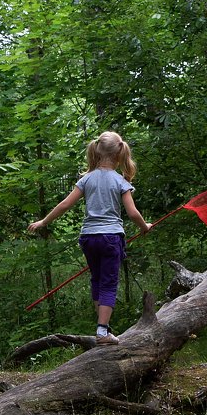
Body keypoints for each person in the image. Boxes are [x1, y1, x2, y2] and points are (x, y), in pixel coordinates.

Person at [28, 131, 151, 345]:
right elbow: (132, 213)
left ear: (97, 151)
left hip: (88, 239)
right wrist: (144, 227)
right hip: (111, 238)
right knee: (109, 283)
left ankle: (103, 328)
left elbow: (65, 204)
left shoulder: (86, 179)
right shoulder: (120, 181)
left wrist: (43, 222)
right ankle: (102, 331)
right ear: (119, 154)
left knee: (97, 280)